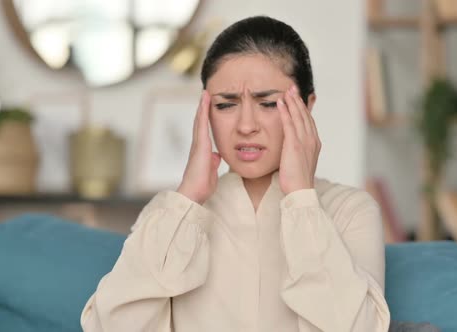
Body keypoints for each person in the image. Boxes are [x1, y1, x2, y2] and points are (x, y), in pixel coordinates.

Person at [81, 15, 390, 332]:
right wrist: (187, 199)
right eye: (225, 105)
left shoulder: (351, 210)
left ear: (307, 107)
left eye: (268, 103)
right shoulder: (169, 214)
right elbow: (109, 326)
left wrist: (301, 200)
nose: (245, 126)